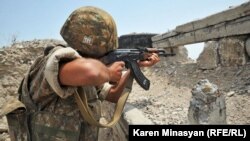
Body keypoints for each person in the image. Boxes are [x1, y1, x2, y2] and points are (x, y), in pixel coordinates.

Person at [5, 6, 160, 141]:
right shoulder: (55, 61)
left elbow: (112, 95)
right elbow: (91, 71)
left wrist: (134, 67)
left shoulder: (83, 71)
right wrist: (108, 72)